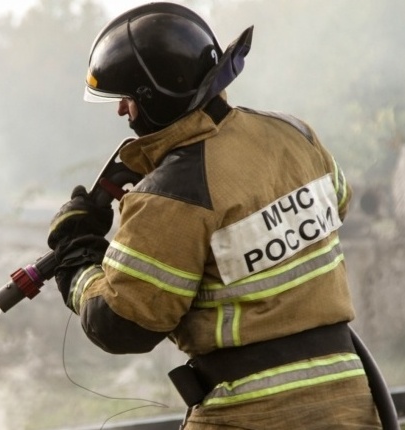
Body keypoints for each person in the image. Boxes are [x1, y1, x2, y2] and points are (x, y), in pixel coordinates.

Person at [47, 2, 383, 429]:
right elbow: (338, 202)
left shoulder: (172, 194)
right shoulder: (294, 134)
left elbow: (122, 324)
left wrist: (78, 260)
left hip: (250, 413)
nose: (121, 111)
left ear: (156, 97)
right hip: (350, 402)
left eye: (128, 98)